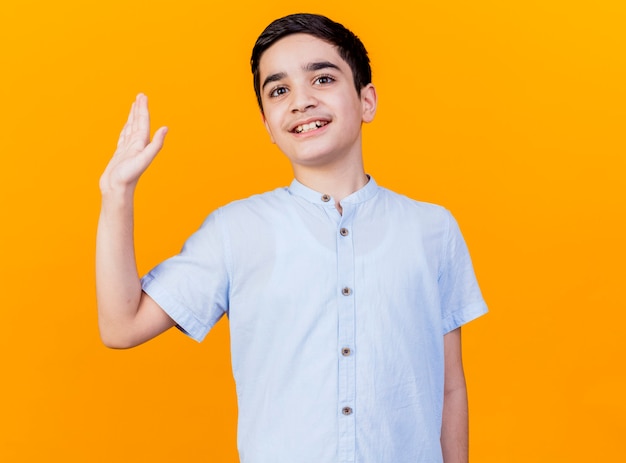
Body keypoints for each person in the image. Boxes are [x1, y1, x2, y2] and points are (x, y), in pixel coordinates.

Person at [96, 13, 487, 463]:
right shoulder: (234, 230)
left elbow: (450, 386)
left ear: (367, 101)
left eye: (322, 78)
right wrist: (116, 194)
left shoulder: (432, 229)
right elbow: (121, 326)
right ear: (267, 124)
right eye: (279, 90)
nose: (301, 101)